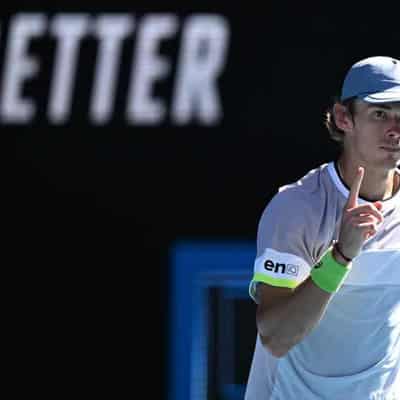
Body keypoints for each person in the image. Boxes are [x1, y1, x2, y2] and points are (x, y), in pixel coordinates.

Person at [244, 56, 400, 399]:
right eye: (380, 113)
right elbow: (277, 336)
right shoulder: (296, 208)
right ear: (344, 118)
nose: (395, 130)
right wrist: (341, 257)